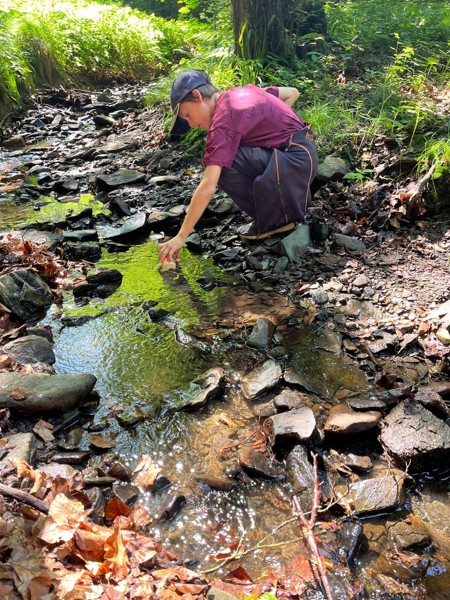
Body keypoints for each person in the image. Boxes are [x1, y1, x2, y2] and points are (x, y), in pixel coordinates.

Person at [158, 69, 317, 263]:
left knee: (224, 163)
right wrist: (271, 132)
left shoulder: (223, 120)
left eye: (188, 115)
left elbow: (209, 185)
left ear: (198, 96)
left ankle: (279, 218)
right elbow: (292, 92)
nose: (190, 124)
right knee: (231, 152)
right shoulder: (243, 93)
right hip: (304, 156)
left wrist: (181, 237)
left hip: (293, 162)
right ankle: (287, 202)